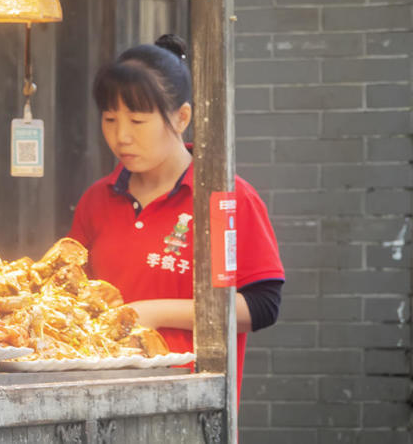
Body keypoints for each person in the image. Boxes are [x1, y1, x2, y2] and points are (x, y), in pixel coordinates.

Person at [69, 34, 284, 397]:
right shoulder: (96, 200)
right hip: (100, 400)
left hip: (192, 404)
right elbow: (71, 296)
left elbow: (262, 305)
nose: (121, 136)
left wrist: (153, 313)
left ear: (182, 116)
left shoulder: (224, 199)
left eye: (137, 121)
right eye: (109, 119)